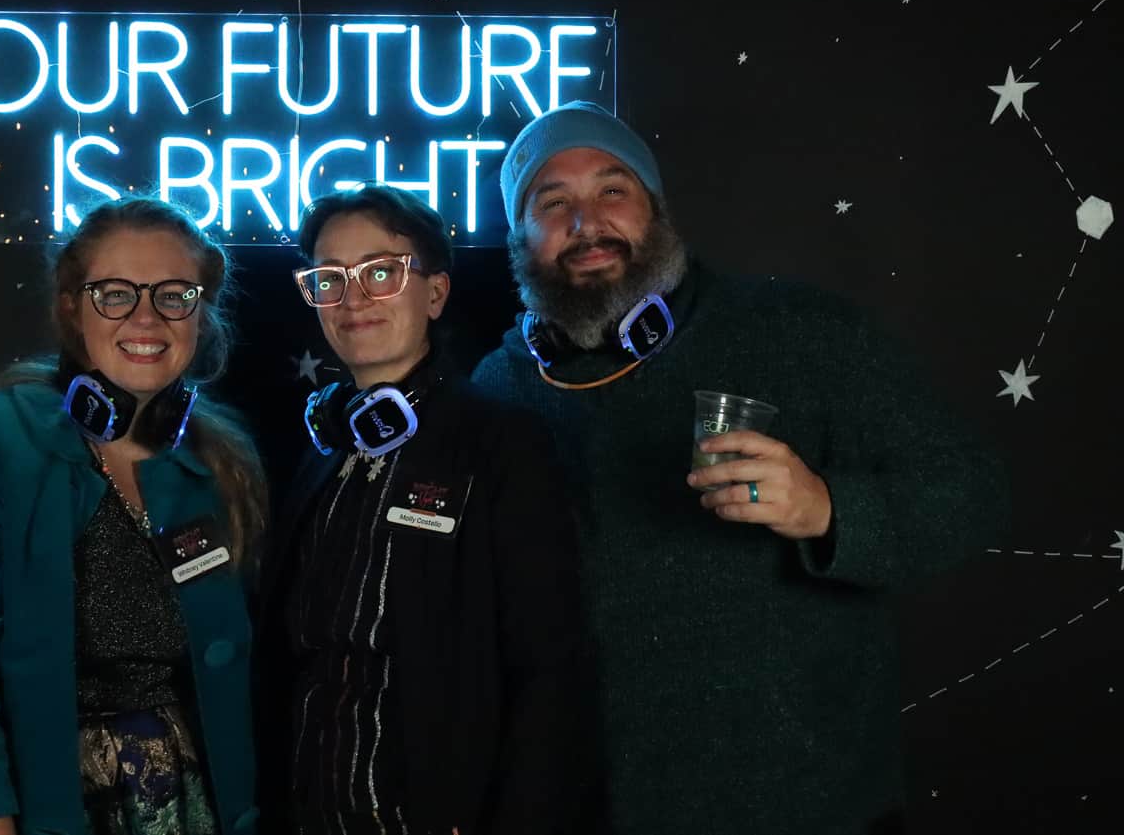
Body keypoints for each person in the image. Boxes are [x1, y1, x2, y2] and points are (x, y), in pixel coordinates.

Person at [470, 100, 1011, 835]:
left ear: (656, 209)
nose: (586, 222)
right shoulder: (499, 388)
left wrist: (827, 509)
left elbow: (974, 490)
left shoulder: (802, 330)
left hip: (805, 808)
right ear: (520, 239)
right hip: (587, 808)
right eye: (551, 202)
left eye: (612, 189)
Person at [0, 197, 268, 835]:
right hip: (37, 806)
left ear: (200, 314)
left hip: (184, 806)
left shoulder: (222, 460)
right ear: (71, 307)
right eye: (114, 294)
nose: (146, 317)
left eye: (174, 295)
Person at [252, 184, 590, 835]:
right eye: (330, 279)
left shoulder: (502, 444)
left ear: (434, 293)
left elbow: (551, 668)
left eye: (381, 272)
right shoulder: (322, 450)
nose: (353, 299)